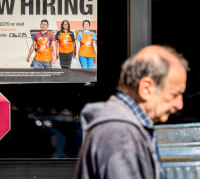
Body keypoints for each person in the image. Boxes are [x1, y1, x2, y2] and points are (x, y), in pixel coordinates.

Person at [74, 45, 189, 179]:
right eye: (175, 94)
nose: (179, 104)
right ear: (146, 89)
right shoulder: (119, 133)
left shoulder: (125, 129)